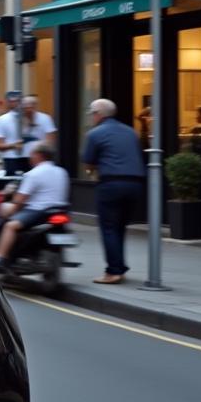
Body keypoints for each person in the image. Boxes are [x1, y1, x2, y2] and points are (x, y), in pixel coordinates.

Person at [83, 97, 146, 284]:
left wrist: (92, 170)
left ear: (98, 115)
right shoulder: (131, 132)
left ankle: (113, 271)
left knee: (109, 228)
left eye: (92, 113)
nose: (91, 117)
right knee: (120, 227)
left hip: (111, 184)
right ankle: (120, 267)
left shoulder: (95, 134)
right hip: (135, 185)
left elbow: (88, 161)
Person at [0, 144, 70, 267]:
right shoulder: (62, 172)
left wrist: (12, 211)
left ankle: (1, 256)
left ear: (39, 155)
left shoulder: (33, 174)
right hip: (60, 210)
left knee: (10, 226)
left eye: (32, 154)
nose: (30, 157)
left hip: (38, 212)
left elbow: (20, 200)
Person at [0, 91, 28, 174]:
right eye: (12, 101)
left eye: (18, 100)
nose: (16, 103)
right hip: (11, 159)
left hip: (30, 158)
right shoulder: (3, 120)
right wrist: (13, 145)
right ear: (7, 102)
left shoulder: (31, 118)